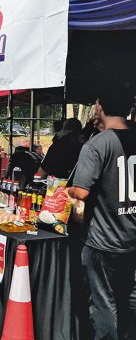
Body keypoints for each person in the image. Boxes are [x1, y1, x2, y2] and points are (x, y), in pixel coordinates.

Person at [69, 91, 136, 340]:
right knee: (128, 298)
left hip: (103, 241)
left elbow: (82, 192)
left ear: (100, 107)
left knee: (104, 303)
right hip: (131, 237)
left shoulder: (96, 145)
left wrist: (68, 189)